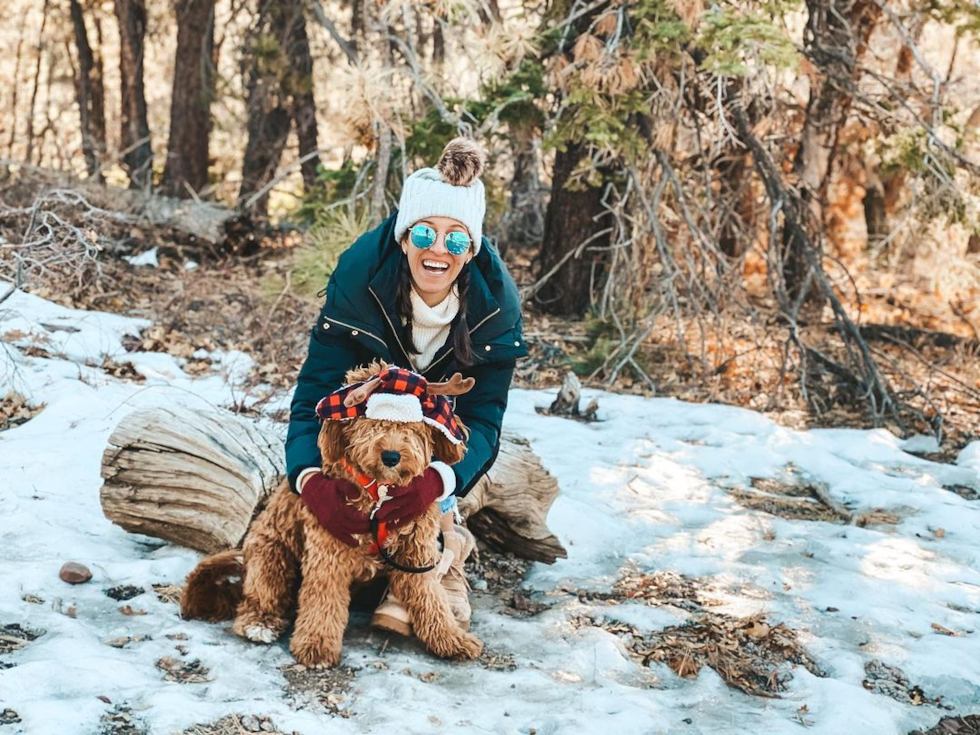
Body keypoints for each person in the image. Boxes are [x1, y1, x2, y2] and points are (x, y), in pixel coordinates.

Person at [285, 137, 527, 634]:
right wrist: (310, 479)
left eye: (456, 239)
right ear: (404, 236)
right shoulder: (359, 280)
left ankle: (442, 550)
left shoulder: (495, 307)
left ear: (472, 247)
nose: (438, 250)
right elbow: (314, 397)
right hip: (363, 439)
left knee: (444, 493)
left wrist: (436, 481)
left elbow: (482, 421)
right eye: (424, 234)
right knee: (298, 518)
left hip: (436, 442)